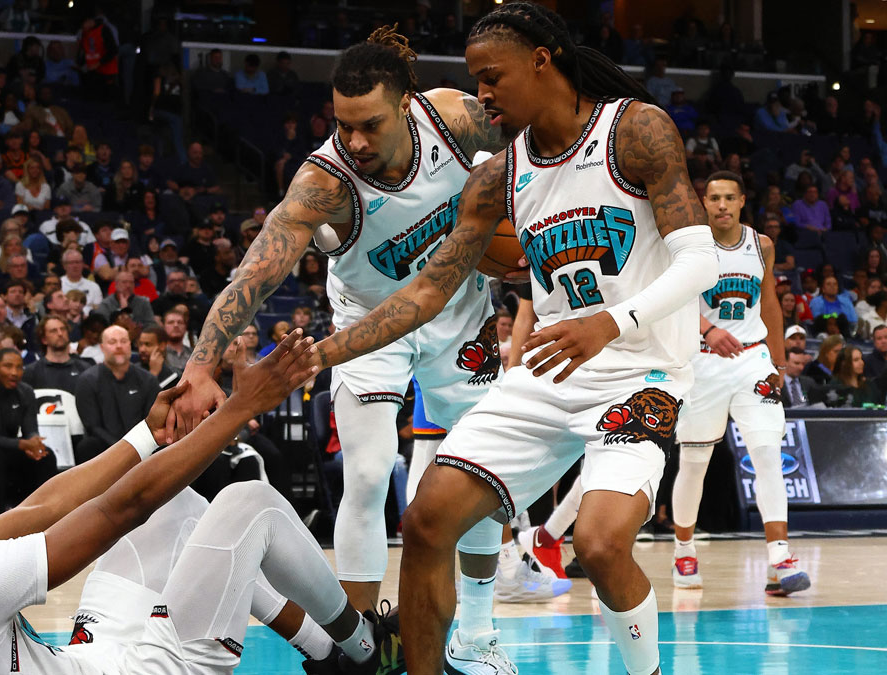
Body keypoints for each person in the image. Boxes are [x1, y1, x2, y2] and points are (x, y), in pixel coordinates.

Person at [304, 5, 722, 673]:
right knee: (427, 518)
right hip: (551, 371)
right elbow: (426, 292)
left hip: (640, 369)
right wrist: (321, 352)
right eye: (474, 80)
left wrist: (608, 323)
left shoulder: (635, 130)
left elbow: (704, 262)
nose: (482, 95)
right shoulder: (497, 174)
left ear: (543, 59)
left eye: (491, 77)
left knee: (601, 541)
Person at [170, 24, 520, 666]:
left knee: (482, 476)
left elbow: (538, 144)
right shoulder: (325, 183)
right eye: (343, 124)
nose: (354, 140)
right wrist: (200, 362)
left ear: (409, 104)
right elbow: (255, 271)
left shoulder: (453, 119)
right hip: (367, 322)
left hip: (460, 307)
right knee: (364, 472)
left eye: (370, 125)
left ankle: (477, 632)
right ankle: (363, 644)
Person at [0, 332, 401, 675]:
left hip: (96, 653)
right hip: (158, 670)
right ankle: (362, 647)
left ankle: (322, 652)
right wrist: (238, 408)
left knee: (176, 510)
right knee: (248, 502)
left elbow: (38, 508)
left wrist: (148, 435)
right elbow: (116, 509)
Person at [671, 171, 809, 595]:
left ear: (743, 200)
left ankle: (779, 558)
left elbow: (769, 302)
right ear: (704, 202)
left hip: (753, 359)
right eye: (715, 198)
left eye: (730, 197)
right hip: (703, 361)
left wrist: (780, 364)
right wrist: (708, 329)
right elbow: (671, 301)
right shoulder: (687, 244)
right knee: (694, 464)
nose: (723, 205)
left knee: (768, 452)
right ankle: (683, 549)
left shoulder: (761, 244)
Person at [0, 347, 58, 516]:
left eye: (19, 367)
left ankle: (45, 513)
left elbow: (30, 429)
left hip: (11, 447)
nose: (14, 372)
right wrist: (23, 444)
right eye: (8, 366)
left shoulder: (26, 391)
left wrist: (34, 443)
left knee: (46, 455)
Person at [73, 326, 160, 463]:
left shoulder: (148, 380)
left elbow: (152, 420)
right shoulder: (87, 380)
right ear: (102, 347)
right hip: (104, 449)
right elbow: (93, 426)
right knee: (87, 445)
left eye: (124, 341)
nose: (119, 346)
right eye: (112, 342)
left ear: (130, 345)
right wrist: (122, 449)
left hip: (143, 447)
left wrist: (137, 448)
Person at [22, 315, 91, 391]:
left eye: (63, 329)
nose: (60, 334)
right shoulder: (31, 372)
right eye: (53, 331)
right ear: (44, 339)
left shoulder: (84, 369)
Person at [136, 325, 181, 389]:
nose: (142, 349)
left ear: (162, 346)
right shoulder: (131, 372)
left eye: (147, 344)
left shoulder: (173, 376)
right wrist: (154, 373)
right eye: (140, 344)